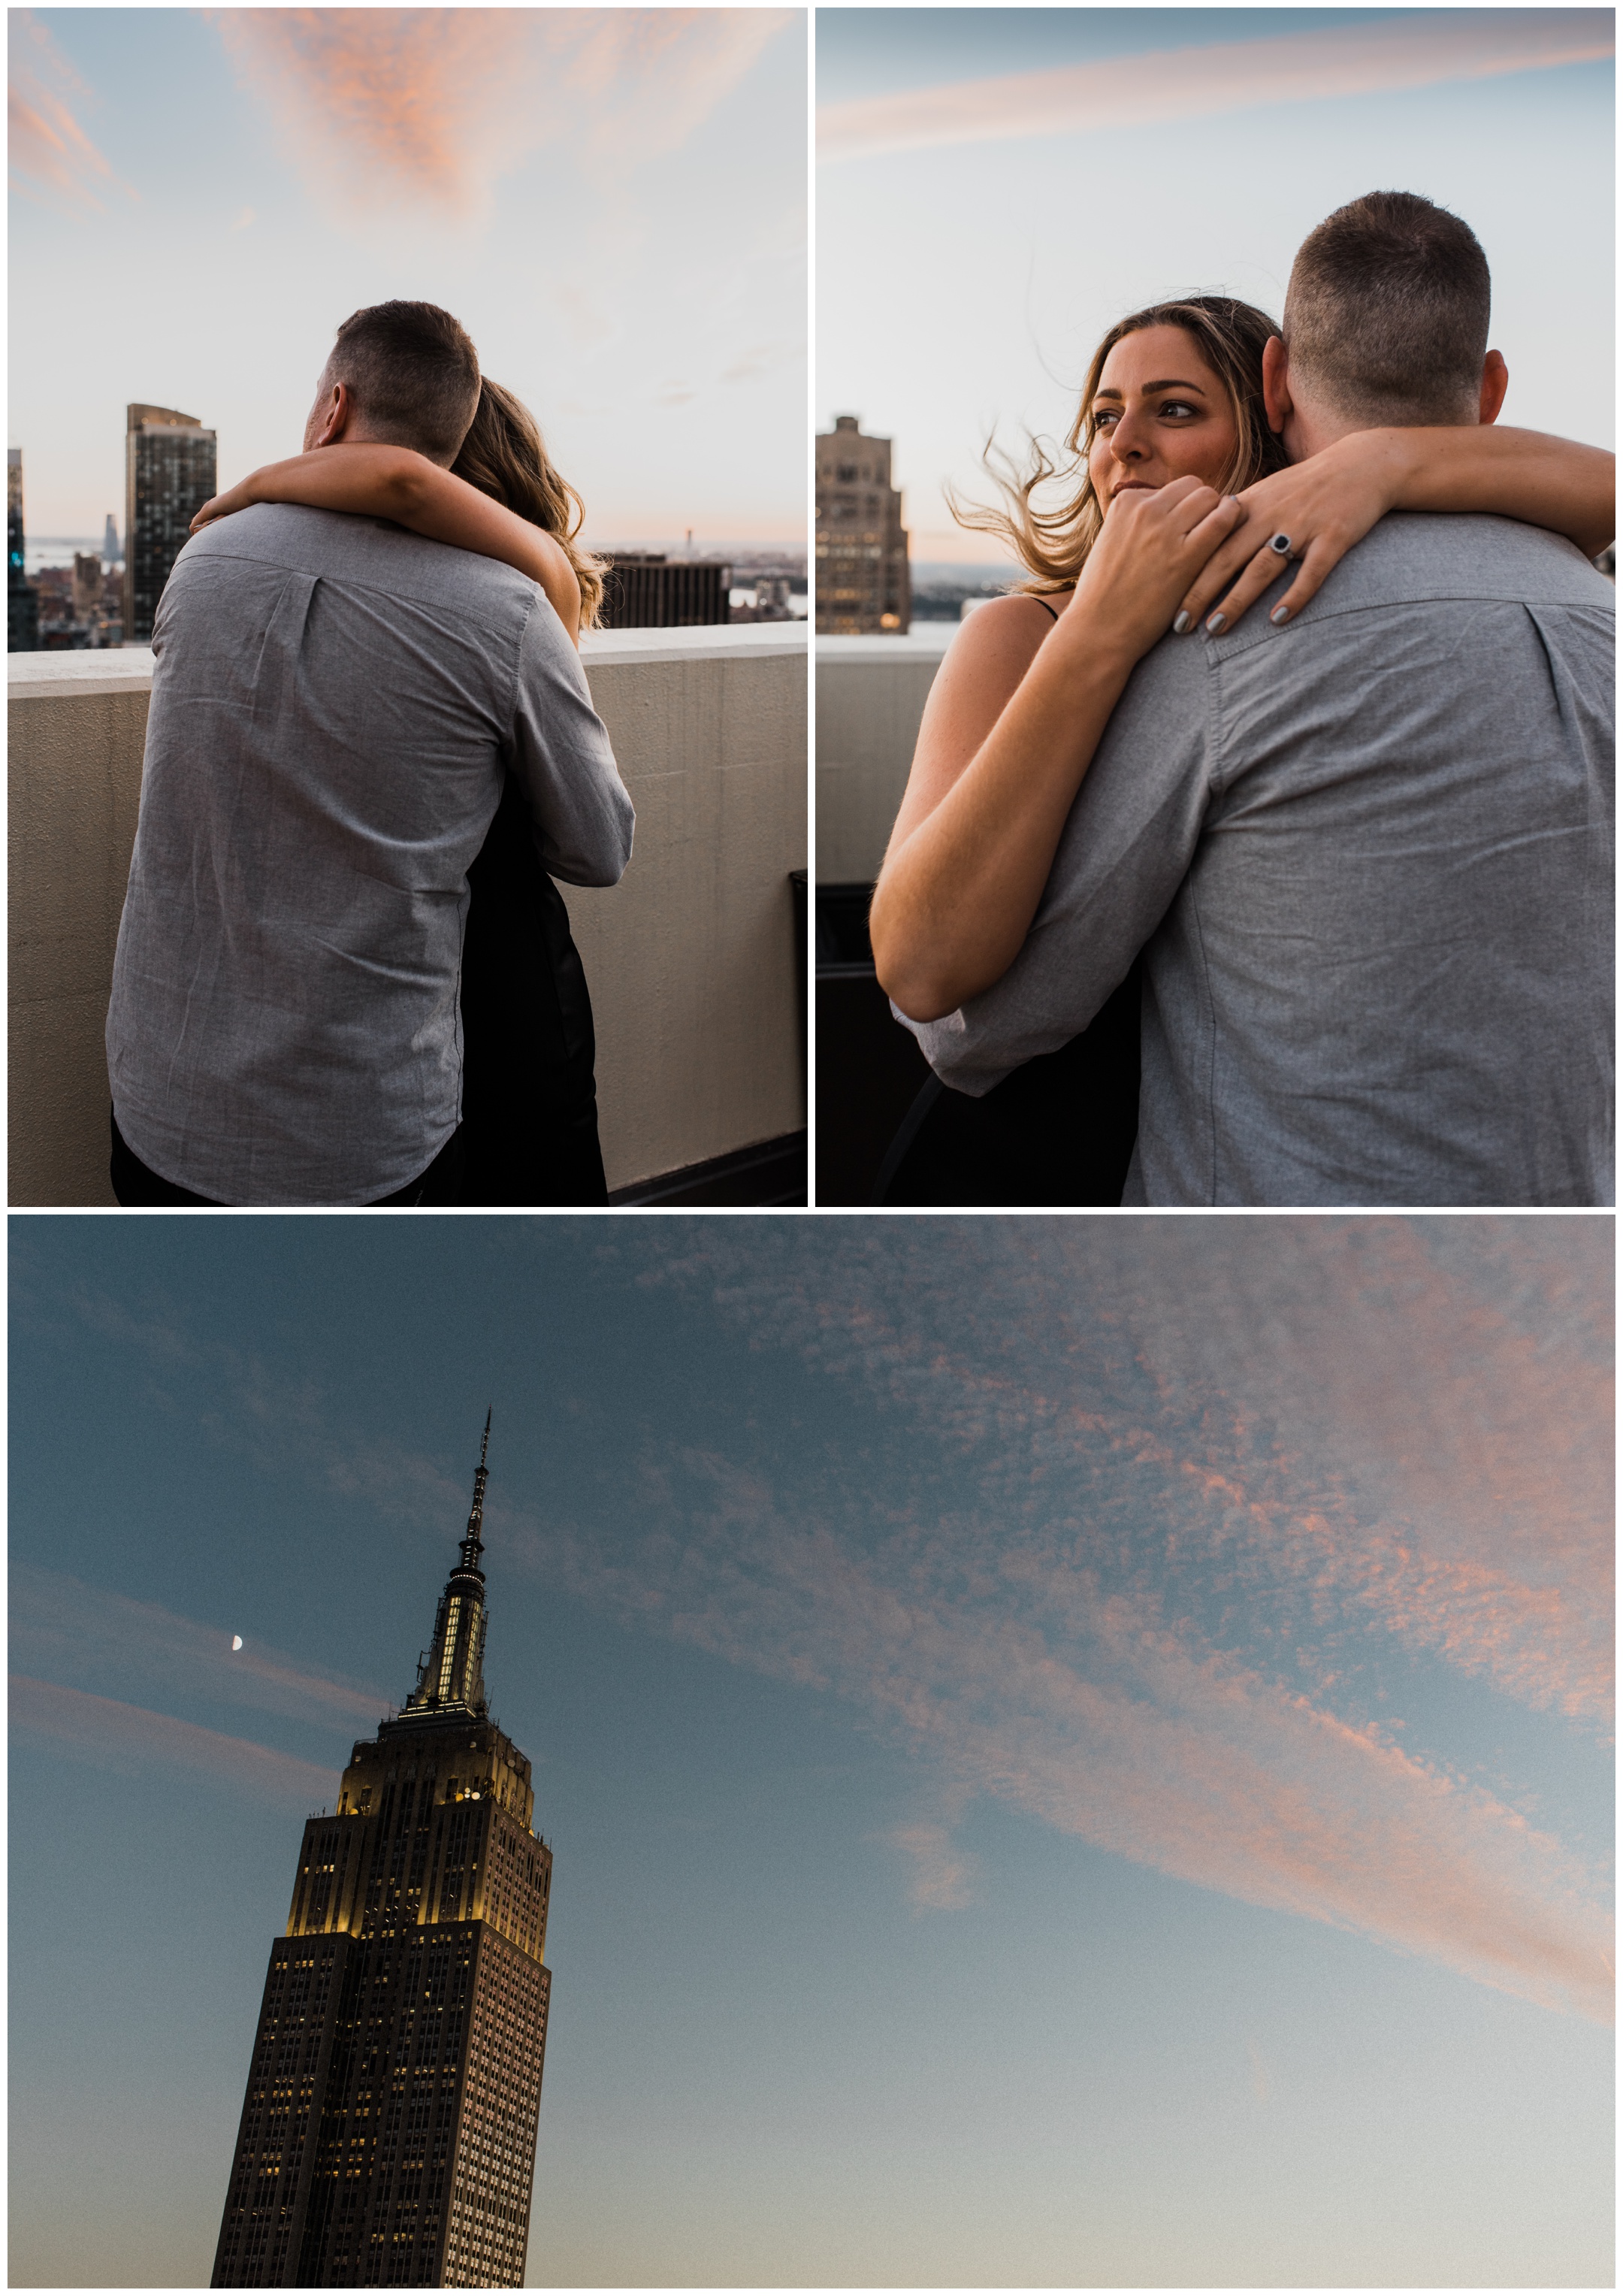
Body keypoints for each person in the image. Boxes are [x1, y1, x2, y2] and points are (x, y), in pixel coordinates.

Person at [870, 193, 1614, 1206]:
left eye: (1174, 409)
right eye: (1102, 416)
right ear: (1488, 388)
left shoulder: (1226, 643)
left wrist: (1385, 458)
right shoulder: (1028, 634)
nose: (1122, 443)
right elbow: (928, 974)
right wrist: (1095, 627)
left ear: (1272, 401)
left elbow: (972, 1029)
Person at [105, 301, 634, 1206]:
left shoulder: (202, 565)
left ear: (333, 408)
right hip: (361, 1143)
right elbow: (598, 850)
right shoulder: (512, 614)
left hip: (160, 1108)